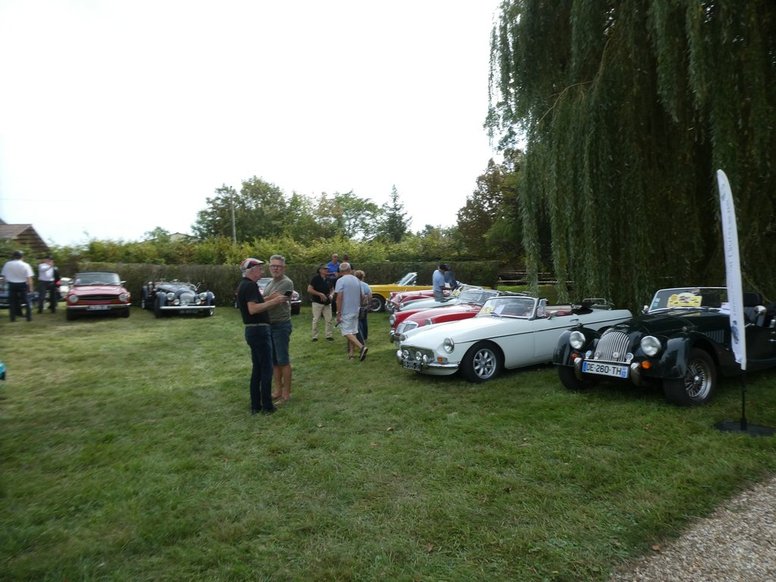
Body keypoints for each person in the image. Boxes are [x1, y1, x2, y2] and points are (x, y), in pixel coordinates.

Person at [236, 257, 287, 415]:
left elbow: (255, 302)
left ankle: (255, 405)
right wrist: (275, 301)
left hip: (252, 331)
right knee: (266, 369)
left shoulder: (245, 285)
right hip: (259, 331)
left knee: (257, 369)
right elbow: (253, 309)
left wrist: (269, 298)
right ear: (251, 271)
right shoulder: (250, 285)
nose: (262, 271)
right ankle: (267, 406)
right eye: (259, 268)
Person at [264, 254, 294, 404]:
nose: (275, 268)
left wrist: (264, 299)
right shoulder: (270, 283)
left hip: (281, 325)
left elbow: (273, 302)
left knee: (283, 360)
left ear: (284, 267)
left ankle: (286, 394)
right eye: (273, 266)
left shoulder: (286, 282)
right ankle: (277, 391)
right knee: (274, 361)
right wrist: (269, 298)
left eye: (279, 266)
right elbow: (268, 299)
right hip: (270, 325)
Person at [335, 262, 367, 361]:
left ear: (340, 271)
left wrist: (338, 312)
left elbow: (339, 297)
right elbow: (362, 296)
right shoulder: (357, 280)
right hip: (356, 309)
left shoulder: (340, 281)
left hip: (346, 310)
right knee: (352, 332)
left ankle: (362, 347)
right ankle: (351, 355)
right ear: (349, 270)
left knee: (346, 332)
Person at [2, 250, 34, 322]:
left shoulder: (7, 264)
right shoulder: (26, 265)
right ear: (22, 257)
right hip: (22, 284)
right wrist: (31, 287)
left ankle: (12, 318)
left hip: (11, 284)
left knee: (12, 302)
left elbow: (4, 277)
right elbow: (29, 278)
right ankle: (29, 317)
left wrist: (3, 286)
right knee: (26, 301)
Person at [308, 263, 334, 342]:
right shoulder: (315, 279)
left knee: (329, 319)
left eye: (327, 269)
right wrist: (320, 294)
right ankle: (314, 336)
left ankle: (328, 335)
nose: (327, 270)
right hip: (317, 302)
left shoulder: (329, 279)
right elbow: (309, 289)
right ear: (320, 270)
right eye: (325, 269)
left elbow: (333, 289)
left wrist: (332, 295)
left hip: (327, 302)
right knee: (316, 319)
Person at [354, 269, 372, 345]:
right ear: (362, 277)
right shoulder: (365, 285)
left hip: (356, 305)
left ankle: (360, 337)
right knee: (364, 320)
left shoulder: (354, 285)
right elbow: (370, 295)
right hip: (364, 305)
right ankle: (365, 336)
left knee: (358, 322)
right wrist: (369, 304)